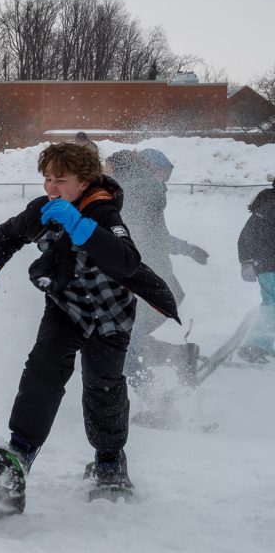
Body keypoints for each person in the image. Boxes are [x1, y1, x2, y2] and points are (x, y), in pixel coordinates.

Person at [0, 142, 179, 506]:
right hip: (66, 308)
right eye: (47, 179)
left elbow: (127, 261)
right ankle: (19, 455)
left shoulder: (104, 211)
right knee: (42, 371)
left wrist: (80, 226)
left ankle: (110, 463)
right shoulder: (44, 209)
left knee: (103, 386)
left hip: (110, 314)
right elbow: (9, 234)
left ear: (85, 181)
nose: (51, 187)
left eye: (60, 180)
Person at [104, 150, 204, 427]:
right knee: (123, 344)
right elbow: (157, 237)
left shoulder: (128, 193)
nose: (105, 172)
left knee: (120, 350)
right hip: (153, 288)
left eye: (108, 168)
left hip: (143, 291)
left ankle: (160, 404)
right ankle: (180, 357)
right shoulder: (140, 194)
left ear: (120, 169)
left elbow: (134, 236)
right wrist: (187, 248)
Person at [237, 181, 275, 364]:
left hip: (268, 264)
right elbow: (246, 235)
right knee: (272, 305)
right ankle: (254, 345)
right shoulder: (270, 206)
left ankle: (263, 343)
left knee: (271, 304)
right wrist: (246, 262)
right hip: (268, 265)